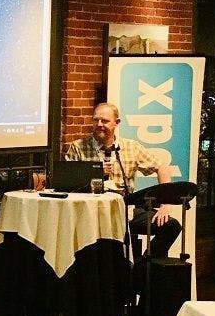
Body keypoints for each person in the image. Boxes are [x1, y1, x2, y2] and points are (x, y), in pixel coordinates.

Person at [66, 102, 182, 258]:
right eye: (96, 120)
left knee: (172, 226)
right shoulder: (78, 147)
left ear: (117, 122)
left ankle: (143, 265)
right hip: (90, 212)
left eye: (104, 121)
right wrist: (92, 173)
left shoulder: (130, 147)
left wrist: (166, 203)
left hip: (124, 210)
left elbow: (162, 168)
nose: (99, 124)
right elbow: (67, 183)